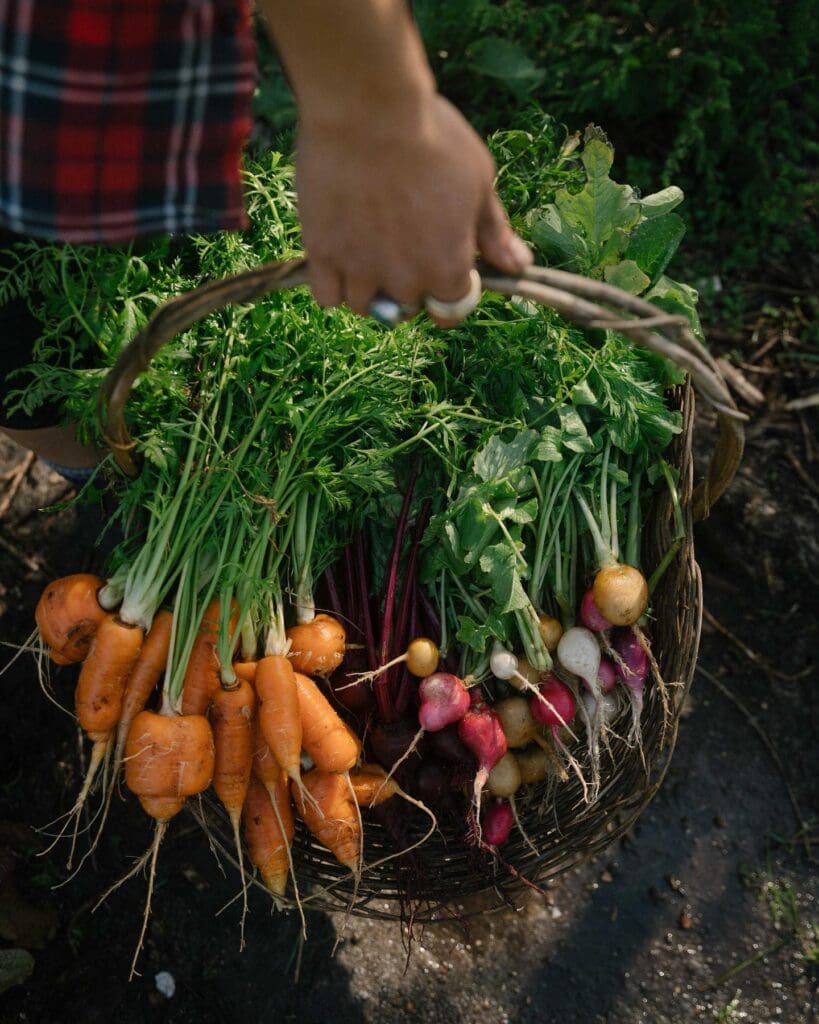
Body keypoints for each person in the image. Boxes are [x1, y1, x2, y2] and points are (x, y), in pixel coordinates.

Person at [0, 0, 532, 482]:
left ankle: (113, 475)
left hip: (85, 63)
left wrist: (375, 112)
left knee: (150, 223)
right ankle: (107, 487)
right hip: (44, 61)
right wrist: (375, 116)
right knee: (20, 353)